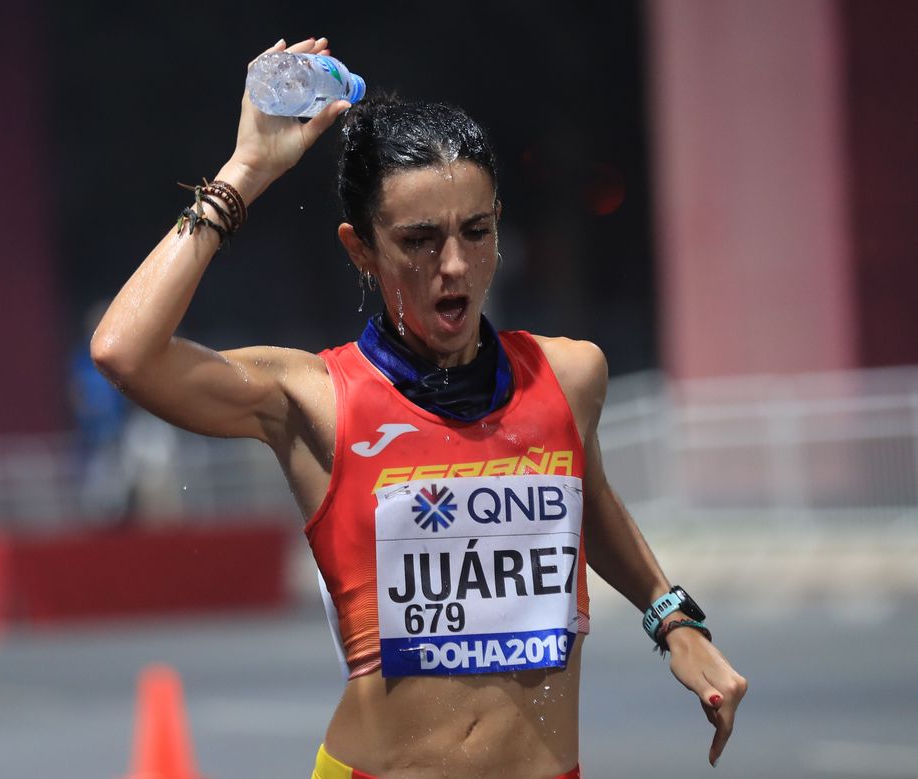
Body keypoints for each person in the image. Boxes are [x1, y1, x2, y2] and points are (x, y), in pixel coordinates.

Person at [92, 36, 746, 779]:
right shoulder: (314, 399)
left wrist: (674, 618)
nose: (455, 267)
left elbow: (585, 504)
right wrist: (245, 174)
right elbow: (124, 351)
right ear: (360, 249)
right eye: (420, 241)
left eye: (476, 231)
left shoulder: (570, 375)